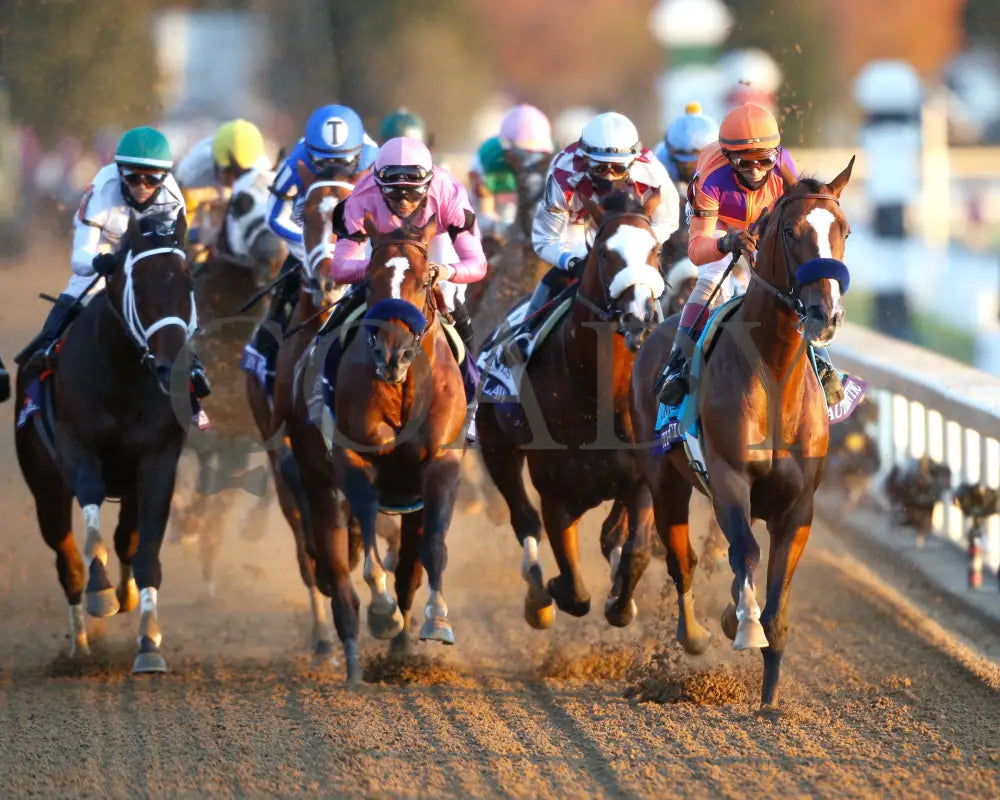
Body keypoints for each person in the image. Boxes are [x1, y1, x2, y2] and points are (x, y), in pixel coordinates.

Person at [654, 102, 844, 427]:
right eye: (745, 163)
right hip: (720, 226)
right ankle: (678, 362)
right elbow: (699, 250)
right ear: (729, 158)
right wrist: (727, 243)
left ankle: (823, 363)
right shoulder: (711, 182)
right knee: (711, 281)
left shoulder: (782, 164)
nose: (756, 170)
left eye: (764, 162)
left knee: (788, 286)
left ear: (775, 155)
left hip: (762, 219)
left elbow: (799, 208)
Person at [15, 126, 210, 405]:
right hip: (105, 248)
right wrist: (101, 262)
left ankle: (191, 362)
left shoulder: (173, 200)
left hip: (145, 254)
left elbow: (171, 256)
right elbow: (79, 261)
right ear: (119, 172)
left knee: (174, 293)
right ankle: (45, 351)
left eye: (152, 179)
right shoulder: (102, 191)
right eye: (132, 177)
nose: (142, 186)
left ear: (165, 178)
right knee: (81, 287)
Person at [327, 136, 486, 417]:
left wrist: (443, 271)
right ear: (378, 184)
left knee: (453, 307)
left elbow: (476, 263)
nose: (403, 202)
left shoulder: (448, 192)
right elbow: (339, 268)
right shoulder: (360, 198)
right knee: (332, 325)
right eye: (394, 193)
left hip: (432, 245)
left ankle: (471, 406)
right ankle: (323, 394)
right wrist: (384, 270)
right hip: (382, 252)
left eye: (412, 193)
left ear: (427, 185)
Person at [512, 111, 680, 355]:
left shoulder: (654, 176)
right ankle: (526, 334)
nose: (610, 176)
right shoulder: (563, 175)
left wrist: (638, 246)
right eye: (600, 168)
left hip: (630, 231)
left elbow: (667, 222)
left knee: (645, 281)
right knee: (562, 275)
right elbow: (545, 239)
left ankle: (667, 348)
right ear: (585, 158)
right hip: (576, 229)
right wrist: (573, 261)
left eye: (618, 168)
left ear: (633, 162)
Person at [245, 104, 377, 385]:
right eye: (323, 163)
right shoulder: (296, 159)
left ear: (358, 154)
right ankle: (264, 353)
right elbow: (274, 216)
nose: (333, 169)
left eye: (343, 162)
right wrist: (315, 250)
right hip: (309, 236)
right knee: (286, 290)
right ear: (310, 153)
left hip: (355, 239)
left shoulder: (375, 159)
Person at [174, 118, 271, 260]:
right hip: (200, 197)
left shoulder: (262, 168)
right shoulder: (193, 167)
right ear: (215, 162)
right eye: (229, 172)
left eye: (239, 174)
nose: (233, 180)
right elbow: (180, 204)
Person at [468, 104, 554, 243]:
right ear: (506, 148)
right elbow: (484, 209)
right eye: (523, 154)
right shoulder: (490, 160)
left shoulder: (552, 163)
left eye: (537, 154)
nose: (529, 162)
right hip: (493, 209)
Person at [653, 102, 718, 268]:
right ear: (670, 151)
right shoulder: (658, 160)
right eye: (682, 162)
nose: (687, 167)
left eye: (694, 161)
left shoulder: (720, 163)